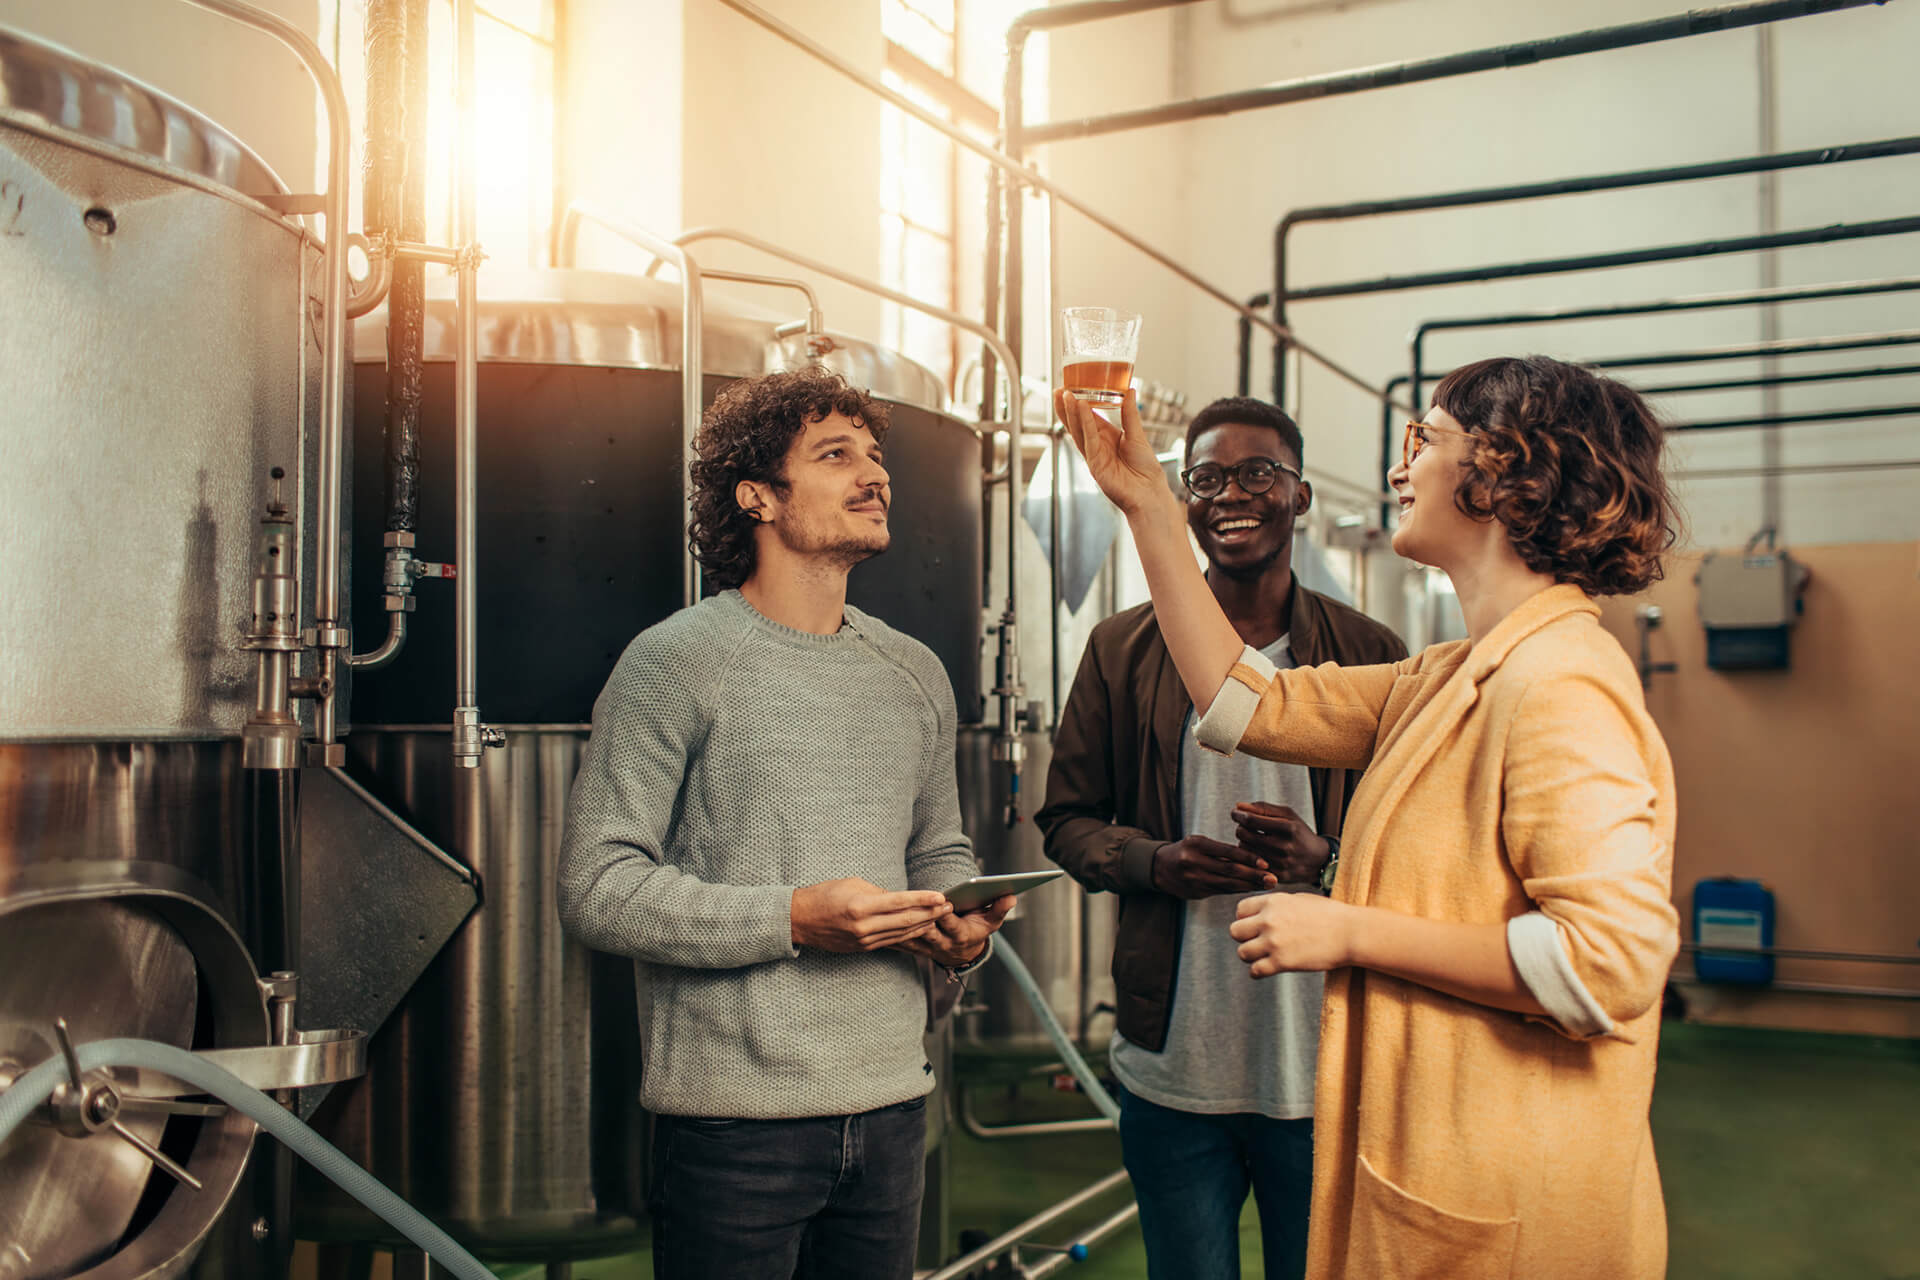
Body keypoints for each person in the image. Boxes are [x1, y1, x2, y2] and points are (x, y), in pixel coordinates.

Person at [1056, 355, 1681, 1280]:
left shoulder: (1562, 685)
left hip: (1511, 1200)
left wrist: (1347, 926)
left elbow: (1607, 966)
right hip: (1429, 1155)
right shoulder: (1447, 674)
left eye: (1423, 440)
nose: (1400, 469)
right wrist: (1148, 503)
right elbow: (1242, 707)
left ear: (1506, 472)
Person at [557, 368, 1012, 1280]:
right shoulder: (674, 662)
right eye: (835, 455)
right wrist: (794, 918)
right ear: (757, 495)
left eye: (876, 457)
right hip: (734, 1127)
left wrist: (963, 933)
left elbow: (940, 848)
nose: (873, 476)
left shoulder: (914, 670)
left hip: (891, 1106)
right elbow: (596, 888)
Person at [1037, 397, 1405, 1280]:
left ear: (1302, 495)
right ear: (1185, 500)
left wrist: (1327, 861)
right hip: (1175, 1065)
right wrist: (1153, 862)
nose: (1230, 493)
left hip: (1319, 1064)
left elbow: (1414, 844)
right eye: (1205, 478)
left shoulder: (1369, 650)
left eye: (1257, 473)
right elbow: (1065, 819)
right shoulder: (1122, 648)